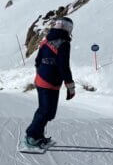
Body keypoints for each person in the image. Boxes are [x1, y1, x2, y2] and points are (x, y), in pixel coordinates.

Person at [25, 17, 76, 148]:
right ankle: (31, 137)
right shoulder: (64, 43)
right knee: (46, 111)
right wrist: (70, 86)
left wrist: (41, 72)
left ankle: (38, 135)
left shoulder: (46, 40)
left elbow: (37, 60)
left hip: (42, 80)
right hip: (50, 82)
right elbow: (63, 66)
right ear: (68, 28)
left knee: (46, 111)